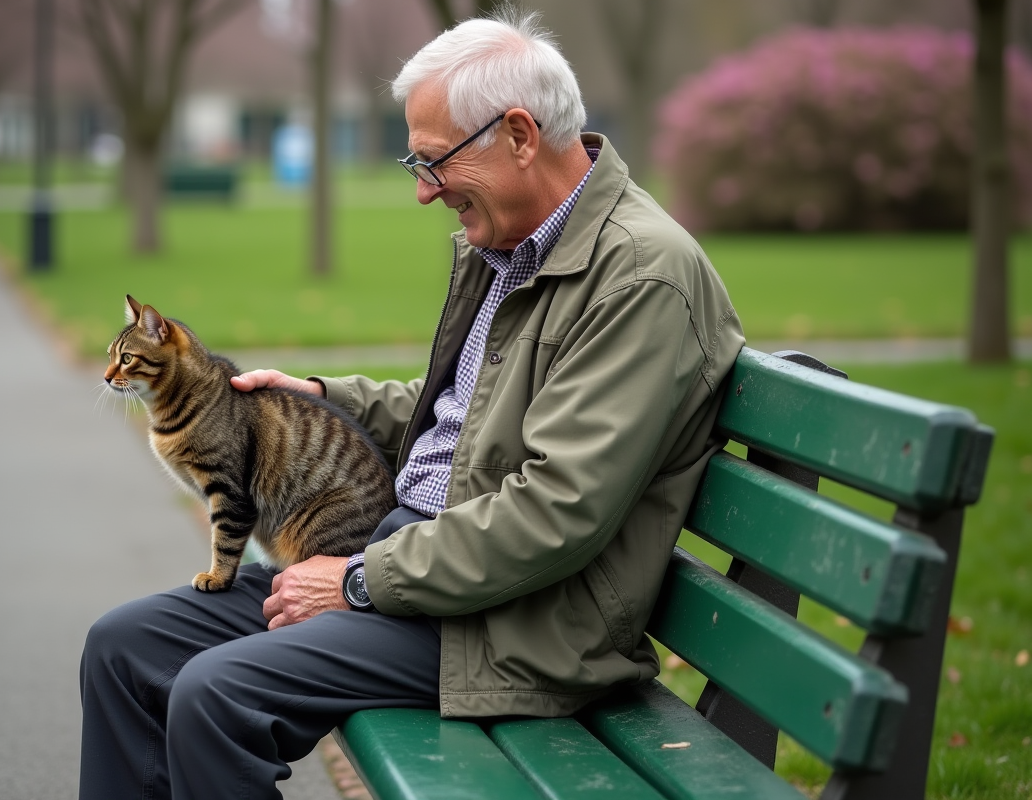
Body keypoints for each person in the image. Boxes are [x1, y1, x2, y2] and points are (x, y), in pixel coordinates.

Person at [79, 10, 745, 800]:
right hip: (414, 570)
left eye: (434, 163)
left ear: (521, 136)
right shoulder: (509, 240)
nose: (425, 192)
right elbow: (467, 416)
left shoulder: (641, 277)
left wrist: (358, 580)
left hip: (506, 625)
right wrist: (323, 397)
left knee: (216, 695)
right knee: (122, 648)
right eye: (414, 164)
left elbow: (556, 512)